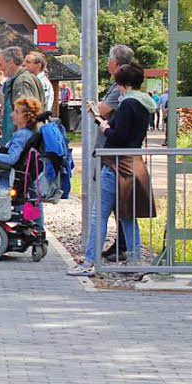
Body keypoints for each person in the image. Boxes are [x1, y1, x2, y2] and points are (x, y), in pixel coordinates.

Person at [68, 63, 155, 276]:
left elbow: (117, 135)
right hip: (132, 162)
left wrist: (101, 123)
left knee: (100, 214)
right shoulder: (145, 104)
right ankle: (135, 261)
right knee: (127, 215)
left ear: (121, 84)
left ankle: (90, 261)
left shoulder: (127, 104)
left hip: (115, 163)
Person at [96, 44, 135, 258]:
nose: (107, 63)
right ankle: (124, 246)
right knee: (116, 208)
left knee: (109, 208)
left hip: (113, 157)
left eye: (109, 59)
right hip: (112, 155)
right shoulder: (117, 89)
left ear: (116, 63)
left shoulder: (123, 95)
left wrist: (100, 118)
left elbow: (103, 111)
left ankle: (122, 248)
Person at [0, 46, 42, 141]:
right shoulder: (28, 78)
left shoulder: (21, 82)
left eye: (1, 64)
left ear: (10, 62)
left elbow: (25, 114)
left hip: (23, 140)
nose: (0, 68)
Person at [24, 51, 54, 115]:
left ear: (38, 65)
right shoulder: (32, 80)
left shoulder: (43, 83)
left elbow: (42, 107)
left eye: (28, 62)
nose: (24, 64)